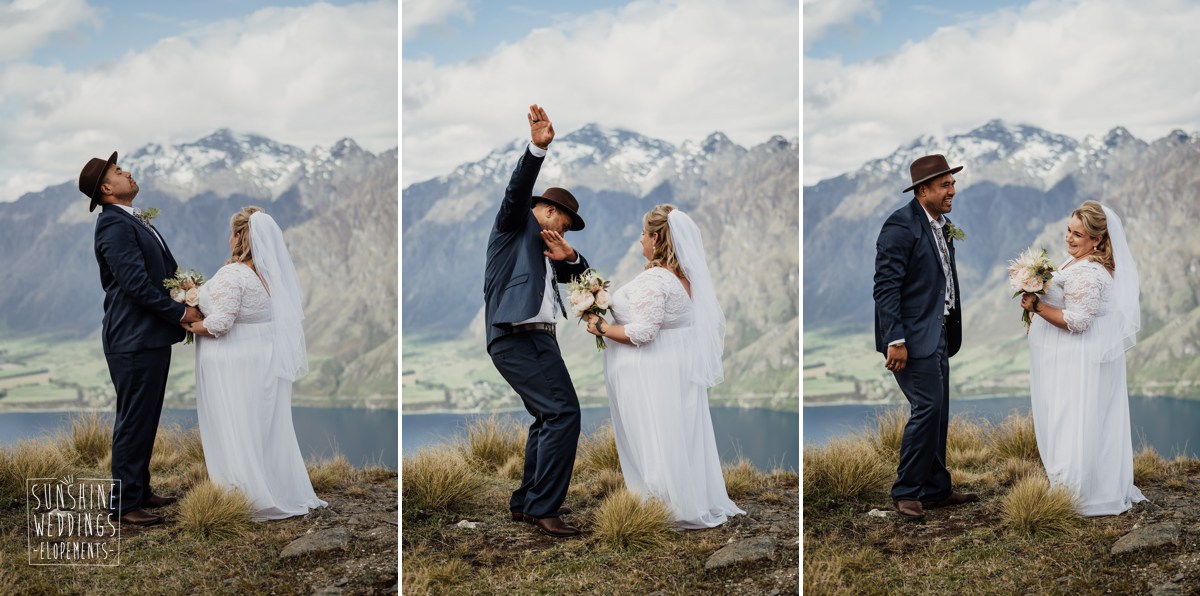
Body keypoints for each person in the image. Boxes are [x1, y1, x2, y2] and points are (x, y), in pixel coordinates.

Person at [581, 204, 745, 529]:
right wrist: (602, 297)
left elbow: (643, 331)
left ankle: (663, 504)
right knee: (677, 434)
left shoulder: (655, 279)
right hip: (674, 368)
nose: (640, 239)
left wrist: (598, 327)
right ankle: (686, 497)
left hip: (649, 373)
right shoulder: (684, 279)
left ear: (656, 238)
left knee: (653, 434)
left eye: (643, 233)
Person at [484, 104, 590, 538]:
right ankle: (546, 509)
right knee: (565, 413)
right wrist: (536, 149)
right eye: (561, 223)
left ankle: (527, 503)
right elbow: (516, 191)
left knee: (547, 417)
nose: (562, 232)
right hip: (516, 335)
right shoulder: (513, 226)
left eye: (566, 229)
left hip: (539, 339)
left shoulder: (552, 247)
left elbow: (585, 280)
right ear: (544, 210)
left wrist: (573, 257)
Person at [81, 151, 203, 527]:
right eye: (119, 171)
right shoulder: (114, 226)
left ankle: (139, 489)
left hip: (147, 338)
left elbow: (158, 273)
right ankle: (124, 504)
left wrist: (185, 289)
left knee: (145, 418)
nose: (127, 172)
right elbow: (135, 285)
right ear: (106, 188)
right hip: (132, 339)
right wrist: (182, 312)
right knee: (133, 420)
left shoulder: (132, 220)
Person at [186, 207, 327, 521]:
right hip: (262, 358)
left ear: (239, 237)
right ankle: (273, 485)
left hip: (232, 361)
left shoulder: (233, 274)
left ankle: (245, 494)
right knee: (261, 426)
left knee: (235, 424)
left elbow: (219, 323)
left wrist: (186, 323)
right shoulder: (269, 276)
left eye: (232, 233)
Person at [1020, 201, 1146, 516]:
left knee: (1073, 421)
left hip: (1076, 362)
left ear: (1097, 240)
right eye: (1069, 231)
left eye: (1079, 234)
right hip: (1073, 359)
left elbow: (1078, 321)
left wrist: (1036, 307)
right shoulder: (1079, 262)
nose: (1070, 239)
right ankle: (1079, 486)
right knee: (1080, 419)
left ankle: (1076, 492)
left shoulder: (1089, 271)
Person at [873, 154, 978, 521]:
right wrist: (895, 339)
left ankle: (935, 489)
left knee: (939, 413)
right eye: (945, 185)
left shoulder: (940, 225)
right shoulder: (900, 226)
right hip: (912, 337)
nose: (953, 191)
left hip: (940, 331)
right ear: (923, 190)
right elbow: (886, 287)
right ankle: (906, 490)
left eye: (952, 183)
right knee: (927, 409)